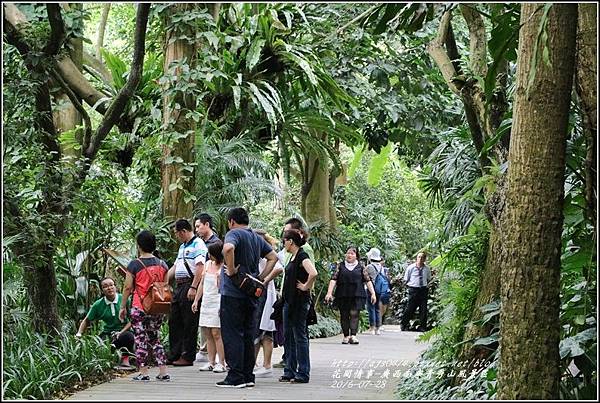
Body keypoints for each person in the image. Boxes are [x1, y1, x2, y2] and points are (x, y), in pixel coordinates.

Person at [217, 207, 279, 388]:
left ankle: (235, 377)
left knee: (232, 334)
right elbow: (273, 257)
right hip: (251, 294)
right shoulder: (256, 237)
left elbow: (228, 248)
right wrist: (260, 278)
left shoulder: (233, 234)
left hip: (233, 294)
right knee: (247, 334)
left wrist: (231, 270)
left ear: (231, 222)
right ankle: (247, 376)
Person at [119, 230, 170, 381]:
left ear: (139, 245)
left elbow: (128, 287)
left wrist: (122, 306)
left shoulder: (134, 264)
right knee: (155, 337)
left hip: (139, 306)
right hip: (156, 307)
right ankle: (163, 371)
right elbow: (165, 286)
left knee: (140, 338)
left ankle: (144, 372)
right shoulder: (163, 264)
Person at [274, 217, 315, 368]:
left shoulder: (304, 252)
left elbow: (312, 272)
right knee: (289, 335)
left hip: (299, 300)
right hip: (288, 299)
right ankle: (290, 368)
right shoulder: (290, 255)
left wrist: (306, 287)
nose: (283, 241)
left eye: (285, 237)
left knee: (300, 335)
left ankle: (302, 370)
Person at [166, 218, 207, 366]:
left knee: (189, 321)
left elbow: (200, 267)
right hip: (179, 285)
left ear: (183, 231)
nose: (176, 236)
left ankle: (187, 356)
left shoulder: (198, 244)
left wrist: (194, 287)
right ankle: (174, 353)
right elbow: (176, 266)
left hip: (190, 284)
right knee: (175, 320)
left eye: (177, 233)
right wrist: (164, 282)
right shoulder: (183, 246)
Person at [76, 277, 135, 370]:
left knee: (128, 337)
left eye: (111, 285)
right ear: (102, 290)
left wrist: (120, 332)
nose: (109, 288)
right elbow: (87, 320)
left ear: (115, 287)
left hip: (124, 331)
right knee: (100, 344)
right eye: (105, 286)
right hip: (108, 333)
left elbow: (133, 320)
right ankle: (109, 362)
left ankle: (125, 361)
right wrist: (79, 334)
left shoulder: (124, 299)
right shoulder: (98, 304)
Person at [325, 247, 376, 345]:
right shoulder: (340, 266)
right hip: (343, 293)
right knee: (344, 315)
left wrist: (373, 293)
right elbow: (334, 279)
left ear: (356, 256)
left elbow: (367, 280)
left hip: (357, 294)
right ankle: (346, 336)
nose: (349, 255)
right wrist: (329, 293)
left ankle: (353, 335)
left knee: (354, 313)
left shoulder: (361, 266)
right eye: (348, 253)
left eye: (352, 253)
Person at [252, 230, 284, 378]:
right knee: (256, 330)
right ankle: (253, 364)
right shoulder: (256, 257)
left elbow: (278, 268)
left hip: (266, 297)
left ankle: (267, 365)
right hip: (257, 296)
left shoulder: (267, 258)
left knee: (266, 331)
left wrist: (264, 279)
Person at [192, 240, 226, 373]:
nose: (209, 256)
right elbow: (202, 284)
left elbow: (223, 288)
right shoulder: (207, 265)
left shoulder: (224, 266)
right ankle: (211, 361)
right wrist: (196, 300)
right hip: (207, 300)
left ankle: (221, 362)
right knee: (207, 333)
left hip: (218, 300)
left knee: (217, 333)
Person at [194, 213, 221, 364]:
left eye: (198, 226)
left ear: (207, 225)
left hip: (215, 293)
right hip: (206, 290)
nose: (196, 229)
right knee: (206, 327)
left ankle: (218, 359)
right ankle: (208, 356)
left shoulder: (215, 243)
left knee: (215, 329)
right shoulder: (200, 243)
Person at [400, 251, 432, 332]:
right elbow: (406, 279)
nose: (420, 259)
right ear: (416, 258)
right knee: (410, 308)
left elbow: (428, 279)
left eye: (422, 257)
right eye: (419, 257)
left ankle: (423, 327)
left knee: (423, 309)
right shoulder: (411, 267)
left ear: (425, 259)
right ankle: (404, 324)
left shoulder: (427, 269)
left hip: (423, 290)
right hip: (413, 289)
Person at [365, 247, 385, 335]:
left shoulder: (369, 267)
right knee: (377, 308)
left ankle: (372, 327)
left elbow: (364, 277)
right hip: (380, 289)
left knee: (371, 308)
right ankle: (378, 328)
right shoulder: (381, 267)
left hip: (371, 289)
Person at [378, 258, 392, 330]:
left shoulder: (386, 270)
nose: (382, 262)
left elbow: (389, 280)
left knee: (384, 308)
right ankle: (379, 324)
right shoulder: (375, 269)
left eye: (382, 261)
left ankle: (380, 322)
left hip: (386, 290)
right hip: (379, 290)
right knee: (379, 308)